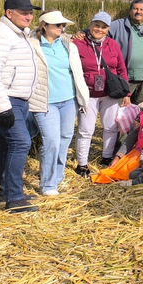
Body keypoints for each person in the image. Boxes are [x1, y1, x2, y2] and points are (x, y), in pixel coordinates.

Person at [0, 0, 40, 213]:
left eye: (30, 12)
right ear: (9, 13)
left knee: (8, 144)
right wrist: (2, 107)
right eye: (24, 12)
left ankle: (6, 195)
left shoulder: (18, 34)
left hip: (18, 99)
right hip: (5, 99)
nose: (29, 16)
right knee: (21, 143)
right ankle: (14, 199)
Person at [29, 11, 89, 196]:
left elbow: (76, 73)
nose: (61, 28)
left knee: (64, 139)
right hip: (45, 102)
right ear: (44, 26)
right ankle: (48, 185)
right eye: (57, 25)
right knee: (51, 141)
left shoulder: (69, 46)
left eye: (62, 25)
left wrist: (81, 98)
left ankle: (58, 177)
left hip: (69, 100)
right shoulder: (32, 45)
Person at [72, 12, 130, 177]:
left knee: (110, 127)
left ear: (108, 29)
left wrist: (126, 92)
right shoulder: (78, 43)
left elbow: (121, 68)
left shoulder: (113, 44)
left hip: (110, 93)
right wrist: (76, 33)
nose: (99, 29)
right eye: (96, 25)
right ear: (90, 25)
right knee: (86, 129)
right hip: (87, 93)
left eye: (103, 27)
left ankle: (106, 157)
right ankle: (82, 165)